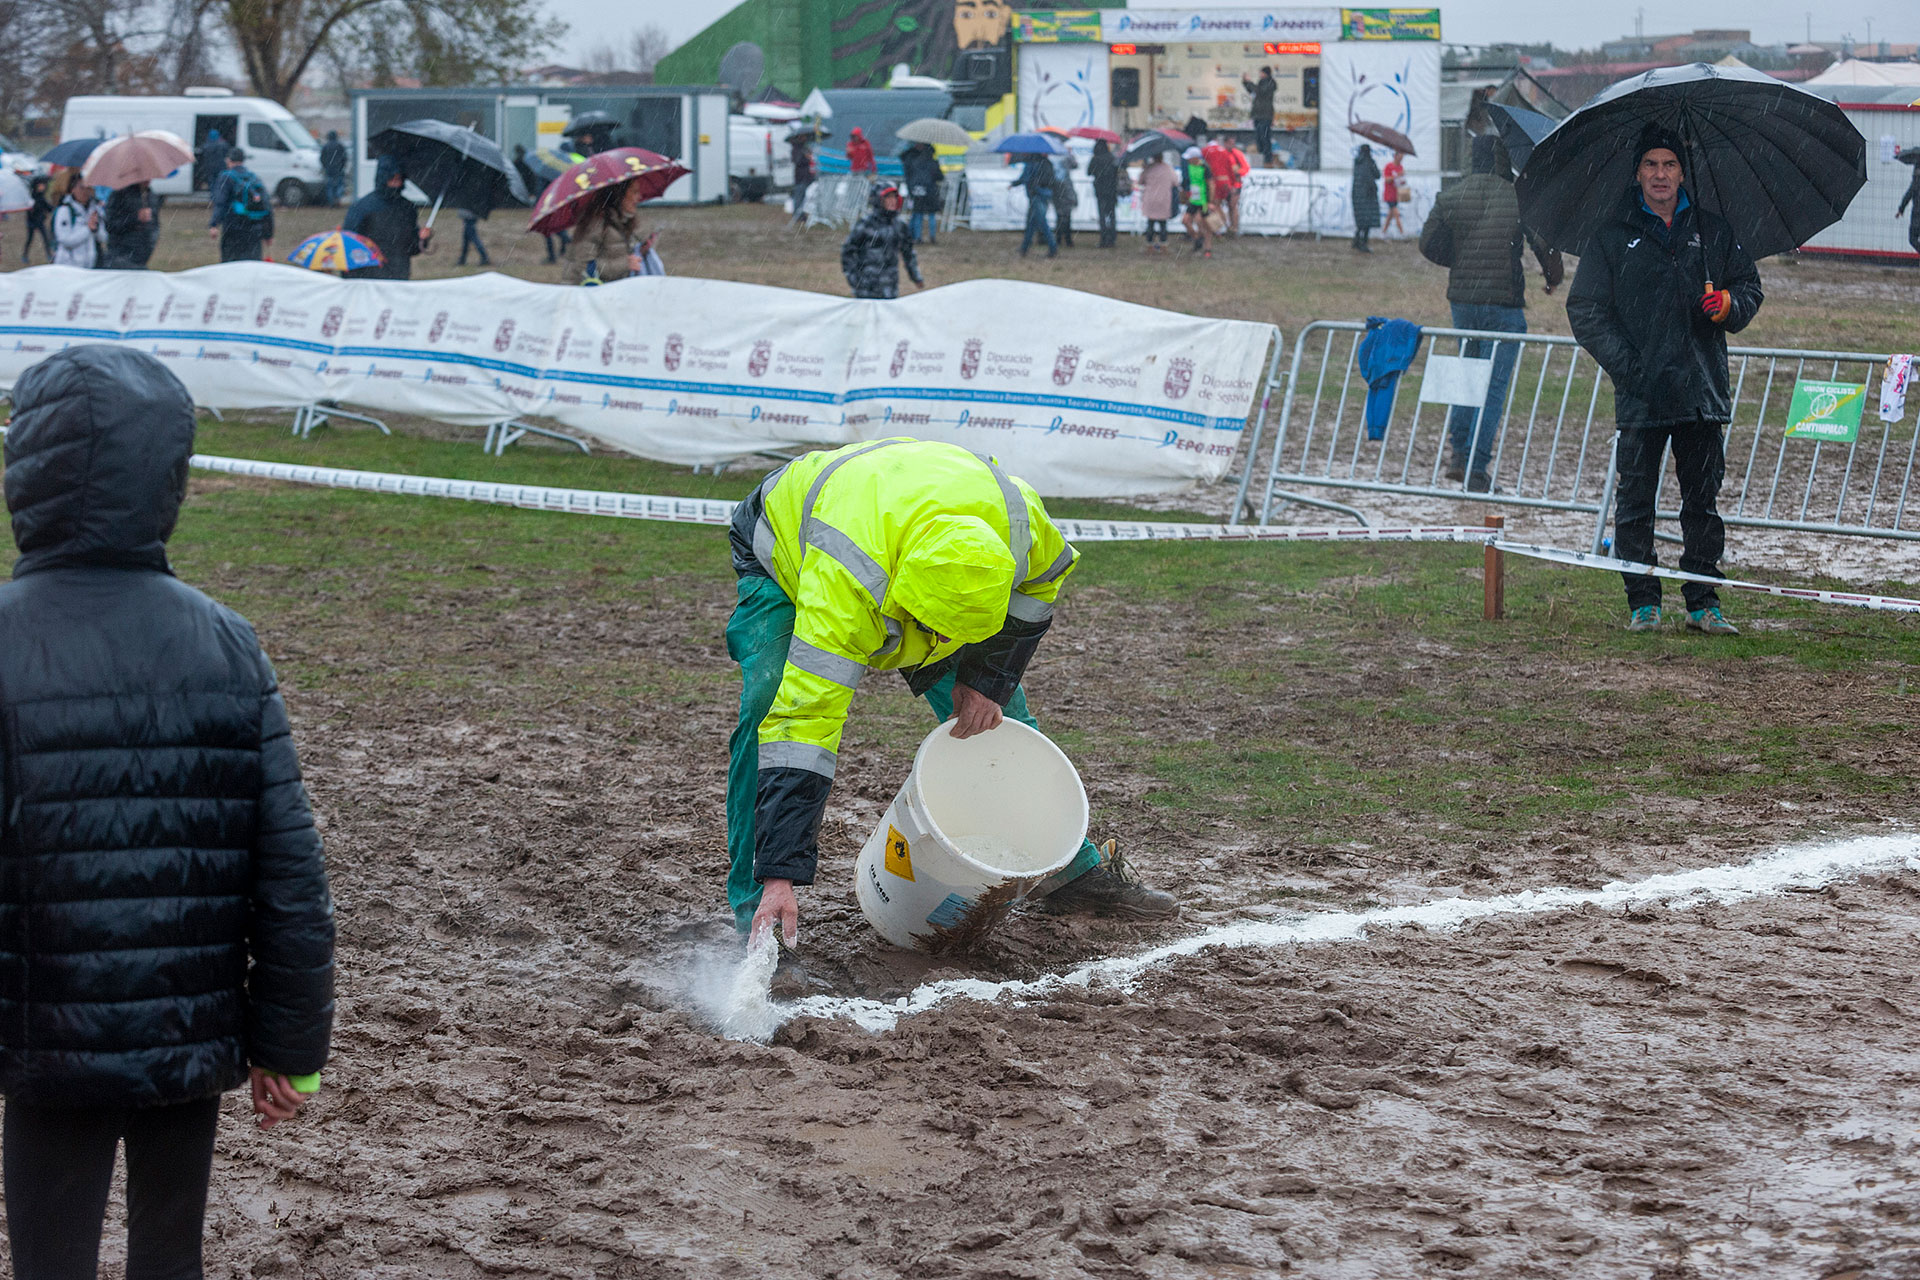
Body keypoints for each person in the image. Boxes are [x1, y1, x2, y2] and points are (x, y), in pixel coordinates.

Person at [0, 344, 335, 1280]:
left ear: (28, 469)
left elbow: (288, 870)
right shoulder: (227, 643)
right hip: (187, 1039)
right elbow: (291, 875)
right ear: (167, 477)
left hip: (45, 1043)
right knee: (169, 1262)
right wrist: (290, 1047)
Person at [725, 437, 1179, 946]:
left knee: (998, 717)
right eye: (932, 632)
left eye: (955, 638)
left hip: (907, 521)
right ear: (903, 601)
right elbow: (803, 724)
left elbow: (1039, 589)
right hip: (786, 546)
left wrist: (986, 680)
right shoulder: (846, 585)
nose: (939, 648)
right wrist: (781, 873)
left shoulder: (1023, 532)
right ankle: (760, 909)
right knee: (772, 710)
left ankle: (1068, 874)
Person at [1566, 126, 1762, 636]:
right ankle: (1643, 602)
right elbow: (1585, 310)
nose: (1660, 174)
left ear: (1681, 173)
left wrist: (1729, 305)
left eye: (1669, 164)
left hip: (1701, 391)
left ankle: (1703, 601)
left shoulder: (1713, 231)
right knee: (1635, 503)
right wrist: (1631, 369)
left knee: (1702, 504)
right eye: (1651, 164)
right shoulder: (1612, 235)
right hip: (1642, 396)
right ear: (1637, 173)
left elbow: (1749, 287)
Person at [1419, 133, 1563, 492]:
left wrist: (1458, 261)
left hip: (1463, 301)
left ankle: (1458, 454)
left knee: (1465, 378)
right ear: (1503, 160)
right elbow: (1543, 243)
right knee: (1493, 389)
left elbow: (1428, 242)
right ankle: (1477, 467)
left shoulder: (1451, 196)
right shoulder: (1518, 197)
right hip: (1504, 303)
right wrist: (1552, 277)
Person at [341, 154, 429, 280]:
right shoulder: (362, 207)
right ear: (383, 178)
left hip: (399, 273)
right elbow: (350, 243)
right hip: (368, 274)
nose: (396, 183)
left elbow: (411, 248)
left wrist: (422, 239)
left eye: (399, 179)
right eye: (392, 178)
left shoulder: (407, 208)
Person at [562, 175, 655, 285]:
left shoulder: (620, 222)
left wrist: (641, 251)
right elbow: (582, 266)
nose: (639, 197)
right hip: (587, 294)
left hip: (608, 292)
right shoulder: (595, 225)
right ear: (619, 195)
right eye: (634, 192)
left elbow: (613, 254)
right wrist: (625, 264)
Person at [840, 183, 923, 298]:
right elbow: (848, 251)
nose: (892, 201)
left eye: (894, 197)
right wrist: (853, 278)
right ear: (878, 200)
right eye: (888, 197)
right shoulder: (865, 224)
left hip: (890, 286)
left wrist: (916, 277)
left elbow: (908, 252)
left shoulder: (900, 225)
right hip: (866, 286)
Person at [206, 148, 274, 263]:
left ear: (228, 160)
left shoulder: (226, 177)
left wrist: (214, 224)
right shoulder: (253, 177)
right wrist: (268, 234)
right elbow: (267, 206)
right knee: (252, 264)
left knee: (231, 264)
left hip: (233, 227)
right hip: (254, 228)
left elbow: (220, 203)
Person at [50, 174, 107, 269]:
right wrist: (88, 229)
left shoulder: (95, 209)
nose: (85, 191)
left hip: (92, 265)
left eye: (88, 188)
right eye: (81, 188)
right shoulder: (65, 210)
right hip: (69, 267)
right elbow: (64, 239)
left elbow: (103, 237)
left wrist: (95, 229)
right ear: (72, 189)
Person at [102, 178, 160, 269]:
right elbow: (111, 225)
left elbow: (154, 224)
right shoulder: (120, 194)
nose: (148, 179)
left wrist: (152, 240)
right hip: (121, 254)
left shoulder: (150, 195)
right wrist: (135, 218)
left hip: (142, 254)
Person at [901, 142, 944, 244]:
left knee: (918, 214)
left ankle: (917, 237)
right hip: (930, 191)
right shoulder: (932, 161)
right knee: (931, 214)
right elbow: (940, 177)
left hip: (917, 191)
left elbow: (909, 176)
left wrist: (912, 188)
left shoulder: (913, 160)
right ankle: (932, 236)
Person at [1016, 153, 1057, 258]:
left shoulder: (1032, 163)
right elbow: (1051, 180)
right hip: (1044, 194)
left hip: (1036, 196)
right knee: (1032, 223)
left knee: (1040, 223)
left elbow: (1025, 178)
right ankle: (1024, 247)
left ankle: (1053, 248)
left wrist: (1015, 184)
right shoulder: (1047, 163)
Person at [1138, 151, 1177, 252]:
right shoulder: (1168, 168)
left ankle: (1149, 244)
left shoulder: (1148, 168)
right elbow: (1175, 182)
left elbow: (1140, 181)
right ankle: (1163, 244)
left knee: (1150, 223)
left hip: (1150, 199)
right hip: (1164, 199)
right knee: (1163, 223)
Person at [1179, 145, 1212, 257]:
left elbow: (1211, 184)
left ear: (1195, 157)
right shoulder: (1189, 166)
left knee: (1203, 224)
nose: (1188, 160)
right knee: (1185, 221)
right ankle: (1197, 238)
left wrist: (1210, 201)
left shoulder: (1205, 167)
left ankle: (1207, 249)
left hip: (1203, 200)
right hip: (1193, 200)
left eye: (1190, 158)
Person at [1088, 139, 1119, 248]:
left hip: (1100, 191)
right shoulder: (1112, 158)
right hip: (1111, 190)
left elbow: (1089, 172)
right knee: (1111, 215)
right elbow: (1117, 172)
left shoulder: (1095, 159)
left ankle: (1104, 238)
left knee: (1102, 215)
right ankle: (1112, 238)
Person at [1243, 67, 1277, 163]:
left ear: (1265, 73)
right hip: (1258, 115)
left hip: (1265, 115)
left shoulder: (1270, 83)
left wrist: (1249, 82)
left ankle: (1267, 159)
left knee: (1264, 138)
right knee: (1259, 138)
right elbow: (1253, 90)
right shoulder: (1262, 83)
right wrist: (1246, 82)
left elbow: (1259, 91)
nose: (1260, 74)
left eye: (1261, 72)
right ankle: (1262, 158)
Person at [1351, 146, 1380, 253]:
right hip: (1368, 196)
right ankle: (1363, 243)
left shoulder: (1357, 162)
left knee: (1361, 220)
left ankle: (1357, 240)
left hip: (1357, 195)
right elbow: (1377, 175)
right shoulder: (1370, 162)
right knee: (1367, 221)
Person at [1051, 148, 1078, 248]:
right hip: (1065, 189)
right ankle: (1067, 239)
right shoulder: (1066, 157)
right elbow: (1075, 165)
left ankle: (1059, 238)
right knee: (1066, 215)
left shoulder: (1052, 157)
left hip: (1057, 190)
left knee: (1060, 215)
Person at [22, 173, 51, 264]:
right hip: (31, 222)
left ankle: (49, 255)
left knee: (46, 239)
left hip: (40, 221)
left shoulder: (42, 197)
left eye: (44, 185)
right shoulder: (32, 197)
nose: (43, 187)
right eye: (41, 185)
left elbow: (49, 208)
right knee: (30, 239)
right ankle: (25, 255)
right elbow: (29, 210)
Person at [789, 133, 816, 228]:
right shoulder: (796, 149)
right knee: (798, 196)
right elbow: (798, 161)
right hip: (800, 177)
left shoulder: (804, 148)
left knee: (803, 196)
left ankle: (800, 214)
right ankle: (797, 214)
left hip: (806, 176)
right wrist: (806, 158)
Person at [320, 129, 349, 206]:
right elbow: (344, 157)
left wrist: (325, 166)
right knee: (339, 185)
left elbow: (322, 158)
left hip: (329, 169)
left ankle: (331, 201)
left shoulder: (325, 146)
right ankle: (338, 199)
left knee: (330, 186)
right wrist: (342, 166)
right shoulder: (340, 146)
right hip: (339, 169)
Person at [1381, 149, 1406, 236]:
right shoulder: (1389, 166)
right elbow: (1387, 179)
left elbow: (1401, 181)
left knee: (1390, 215)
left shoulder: (1401, 167)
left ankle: (1384, 232)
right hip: (1389, 194)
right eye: (1400, 157)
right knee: (1396, 214)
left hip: (1397, 194)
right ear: (1395, 156)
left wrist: (1402, 180)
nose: (1401, 159)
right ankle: (1402, 233)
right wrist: (1397, 175)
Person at [194, 128, 227, 192]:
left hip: (210, 168)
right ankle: (218, 194)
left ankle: (213, 195)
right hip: (220, 167)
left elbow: (199, 152)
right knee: (220, 182)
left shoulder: (206, 145)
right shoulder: (223, 145)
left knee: (212, 182)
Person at [1899, 161, 1920, 256]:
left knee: (1913, 239)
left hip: (1917, 215)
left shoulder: (1916, 182)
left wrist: (1901, 209)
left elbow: (1908, 195)